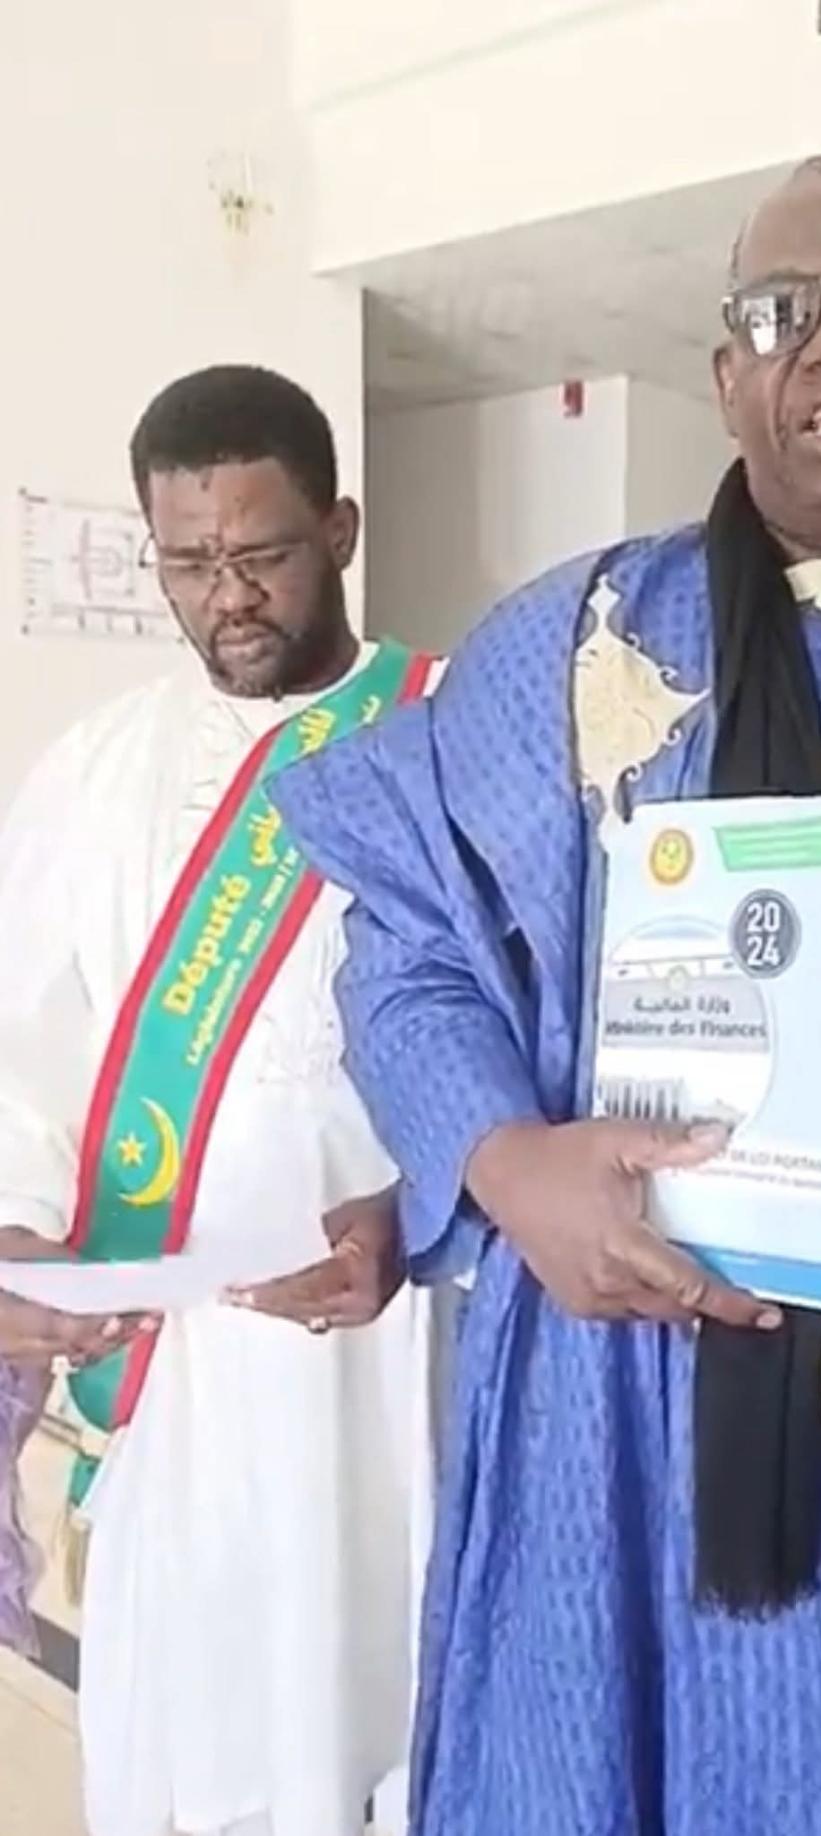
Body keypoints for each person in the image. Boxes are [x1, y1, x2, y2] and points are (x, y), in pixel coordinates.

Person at [273, 156, 821, 1835]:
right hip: (637, 1417)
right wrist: (502, 1159)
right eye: (779, 316)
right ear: (726, 379)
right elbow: (406, 941)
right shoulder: (578, 645)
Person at [0, 364, 446, 1836]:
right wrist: (14, 1234)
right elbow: (23, 1037)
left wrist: (424, 1207)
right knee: (192, 1742)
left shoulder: (446, 734)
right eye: (188, 564)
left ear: (341, 530)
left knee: (385, 1702)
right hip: (173, 1373)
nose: (228, 598)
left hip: (388, 1353)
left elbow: (528, 1033)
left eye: (261, 555)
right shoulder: (98, 769)